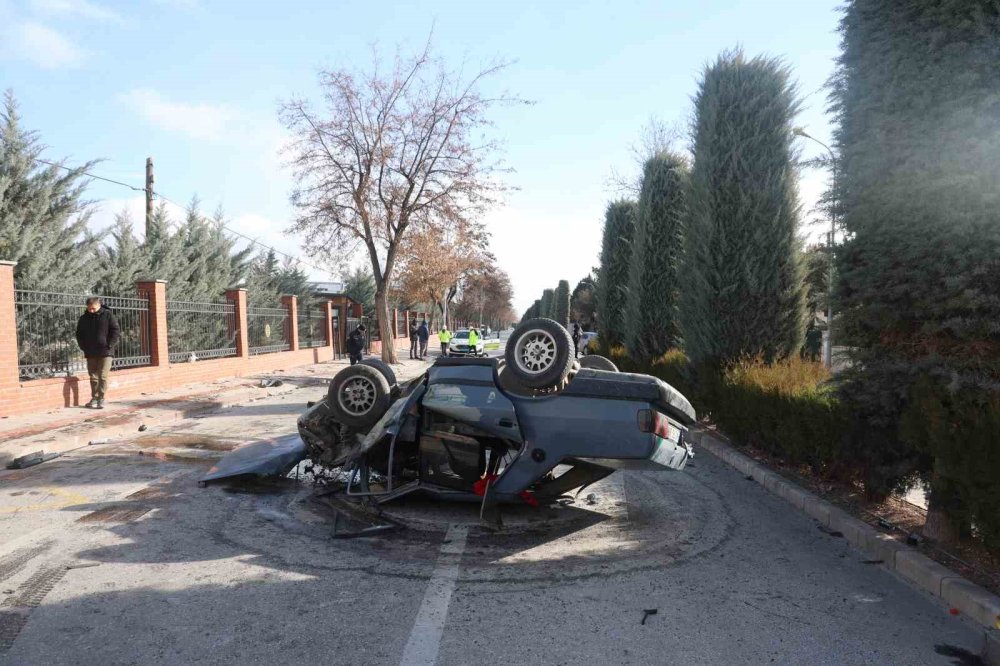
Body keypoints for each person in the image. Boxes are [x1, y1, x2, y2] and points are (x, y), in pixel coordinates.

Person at [75, 296, 120, 409]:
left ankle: (101, 398)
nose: (91, 310)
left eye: (93, 308)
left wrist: (110, 344)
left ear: (99, 305)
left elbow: (115, 330)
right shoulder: (84, 318)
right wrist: (83, 347)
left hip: (106, 351)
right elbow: (79, 334)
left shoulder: (108, 315)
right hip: (91, 351)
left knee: (103, 376)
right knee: (93, 376)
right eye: (89, 308)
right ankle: (94, 397)